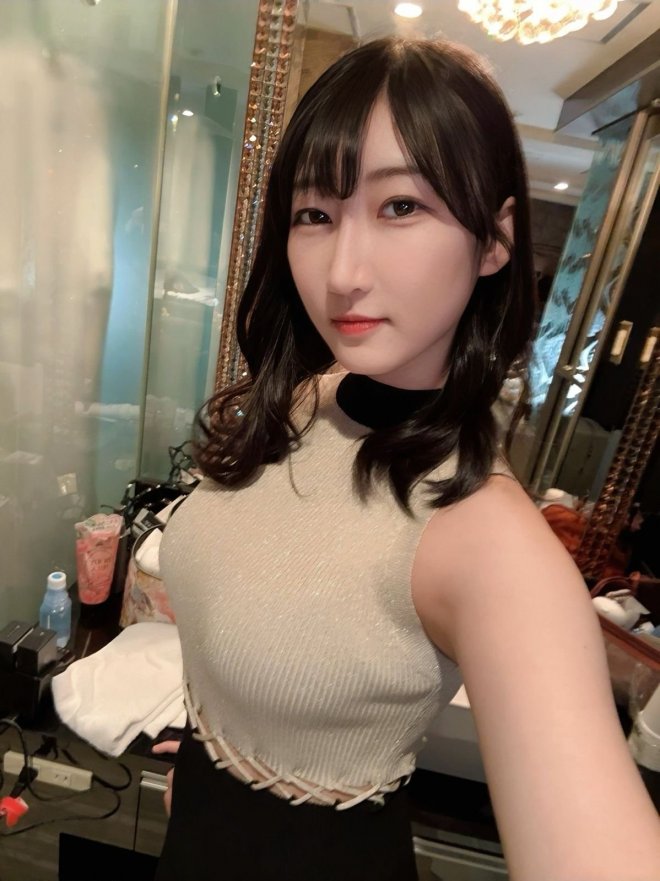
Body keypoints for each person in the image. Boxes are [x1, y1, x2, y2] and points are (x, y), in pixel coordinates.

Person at [153, 37, 660, 881]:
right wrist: (212, 757)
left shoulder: (485, 539)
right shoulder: (310, 396)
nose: (344, 273)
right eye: (315, 214)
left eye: (400, 207)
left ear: (495, 239)